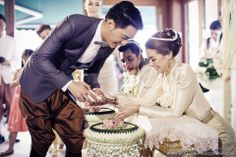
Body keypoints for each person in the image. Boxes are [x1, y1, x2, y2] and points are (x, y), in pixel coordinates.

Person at [19, 1, 143, 157]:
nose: (123, 43)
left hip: (61, 87)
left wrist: (96, 90)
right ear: (110, 23)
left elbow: (92, 72)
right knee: (42, 138)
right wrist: (70, 84)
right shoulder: (74, 23)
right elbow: (38, 59)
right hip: (35, 84)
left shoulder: (110, 44)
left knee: (76, 130)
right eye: (124, 37)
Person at [110, 29, 235, 155]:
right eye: (149, 59)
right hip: (199, 133)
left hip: (218, 132)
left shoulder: (184, 71)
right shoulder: (163, 74)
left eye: (153, 59)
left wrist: (138, 109)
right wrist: (113, 99)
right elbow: (146, 100)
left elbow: (176, 112)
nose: (151, 64)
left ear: (169, 54)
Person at [0, 49, 33, 157]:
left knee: (34, 127)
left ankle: (35, 151)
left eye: (28, 59)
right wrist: (18, 80)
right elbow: (11, 85)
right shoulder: (18, 71)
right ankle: (10, 148)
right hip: (17, 100)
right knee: (14, 126)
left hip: (31, 102)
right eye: (24, 59)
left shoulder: (36, 72)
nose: (26, 61)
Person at [82, 0, 118, 93]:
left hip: (106, 69)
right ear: (84, 5)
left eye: (97, 4)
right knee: (89, 102)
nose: (93, 7)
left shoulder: (108, 25)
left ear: (100, 6)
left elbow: (115, 48)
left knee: (109, 101)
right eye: (90, 4)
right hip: (86, 70)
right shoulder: (79, 25)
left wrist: (98, 43)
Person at [0, 14, 18, 144]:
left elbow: (16, 59)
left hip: (8, 79)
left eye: (1, 24)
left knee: (12, 108)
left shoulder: (10, 41)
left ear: (5, 26)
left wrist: (6, 62)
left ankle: (13, 134)